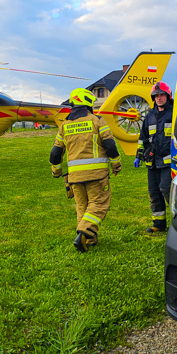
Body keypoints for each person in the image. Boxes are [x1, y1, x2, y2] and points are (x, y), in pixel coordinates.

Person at [50, 88, 122, 252]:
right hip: (96, 175)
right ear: (89, 104)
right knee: (99, 204)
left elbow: (55, 153)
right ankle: (83, 231)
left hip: (74, 178)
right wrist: (116, 164)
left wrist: (57, 171)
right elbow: (110, 146)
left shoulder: (65, 125)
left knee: (82, 208)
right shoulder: (97, 121)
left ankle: (88, 241)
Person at [135, 82, 174, 233]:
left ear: (168, 96)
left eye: (161, 95)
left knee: (166, 189)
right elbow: (143, 137)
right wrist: (139, 155)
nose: (159, 98)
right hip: (152, 162)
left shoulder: (174, 113)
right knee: (154, 192)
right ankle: (158, 224)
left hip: (168, 161)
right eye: (156, 96)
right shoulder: (150, 116)